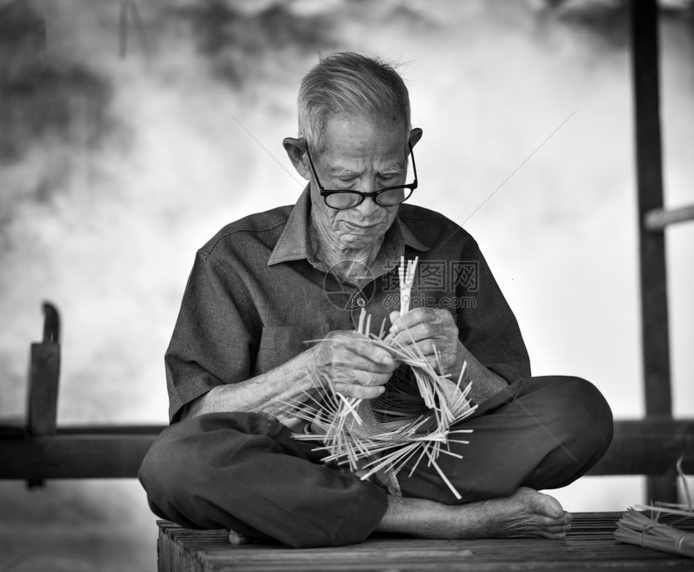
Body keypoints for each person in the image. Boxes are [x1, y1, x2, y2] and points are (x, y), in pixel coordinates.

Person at [138, 52, 613, 549]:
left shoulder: (450, 250)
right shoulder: (234, 258)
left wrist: (458, 363)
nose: (368, 210)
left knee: (580, 413)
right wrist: (311, 370)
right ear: (302, 158)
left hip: (424, 463)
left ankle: (306, 513)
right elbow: (198, 422)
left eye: (388, 183)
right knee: (174, 465)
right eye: (343, 186)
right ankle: (432, 520)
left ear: (410, 147)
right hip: (288, 465)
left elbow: (512, 403)